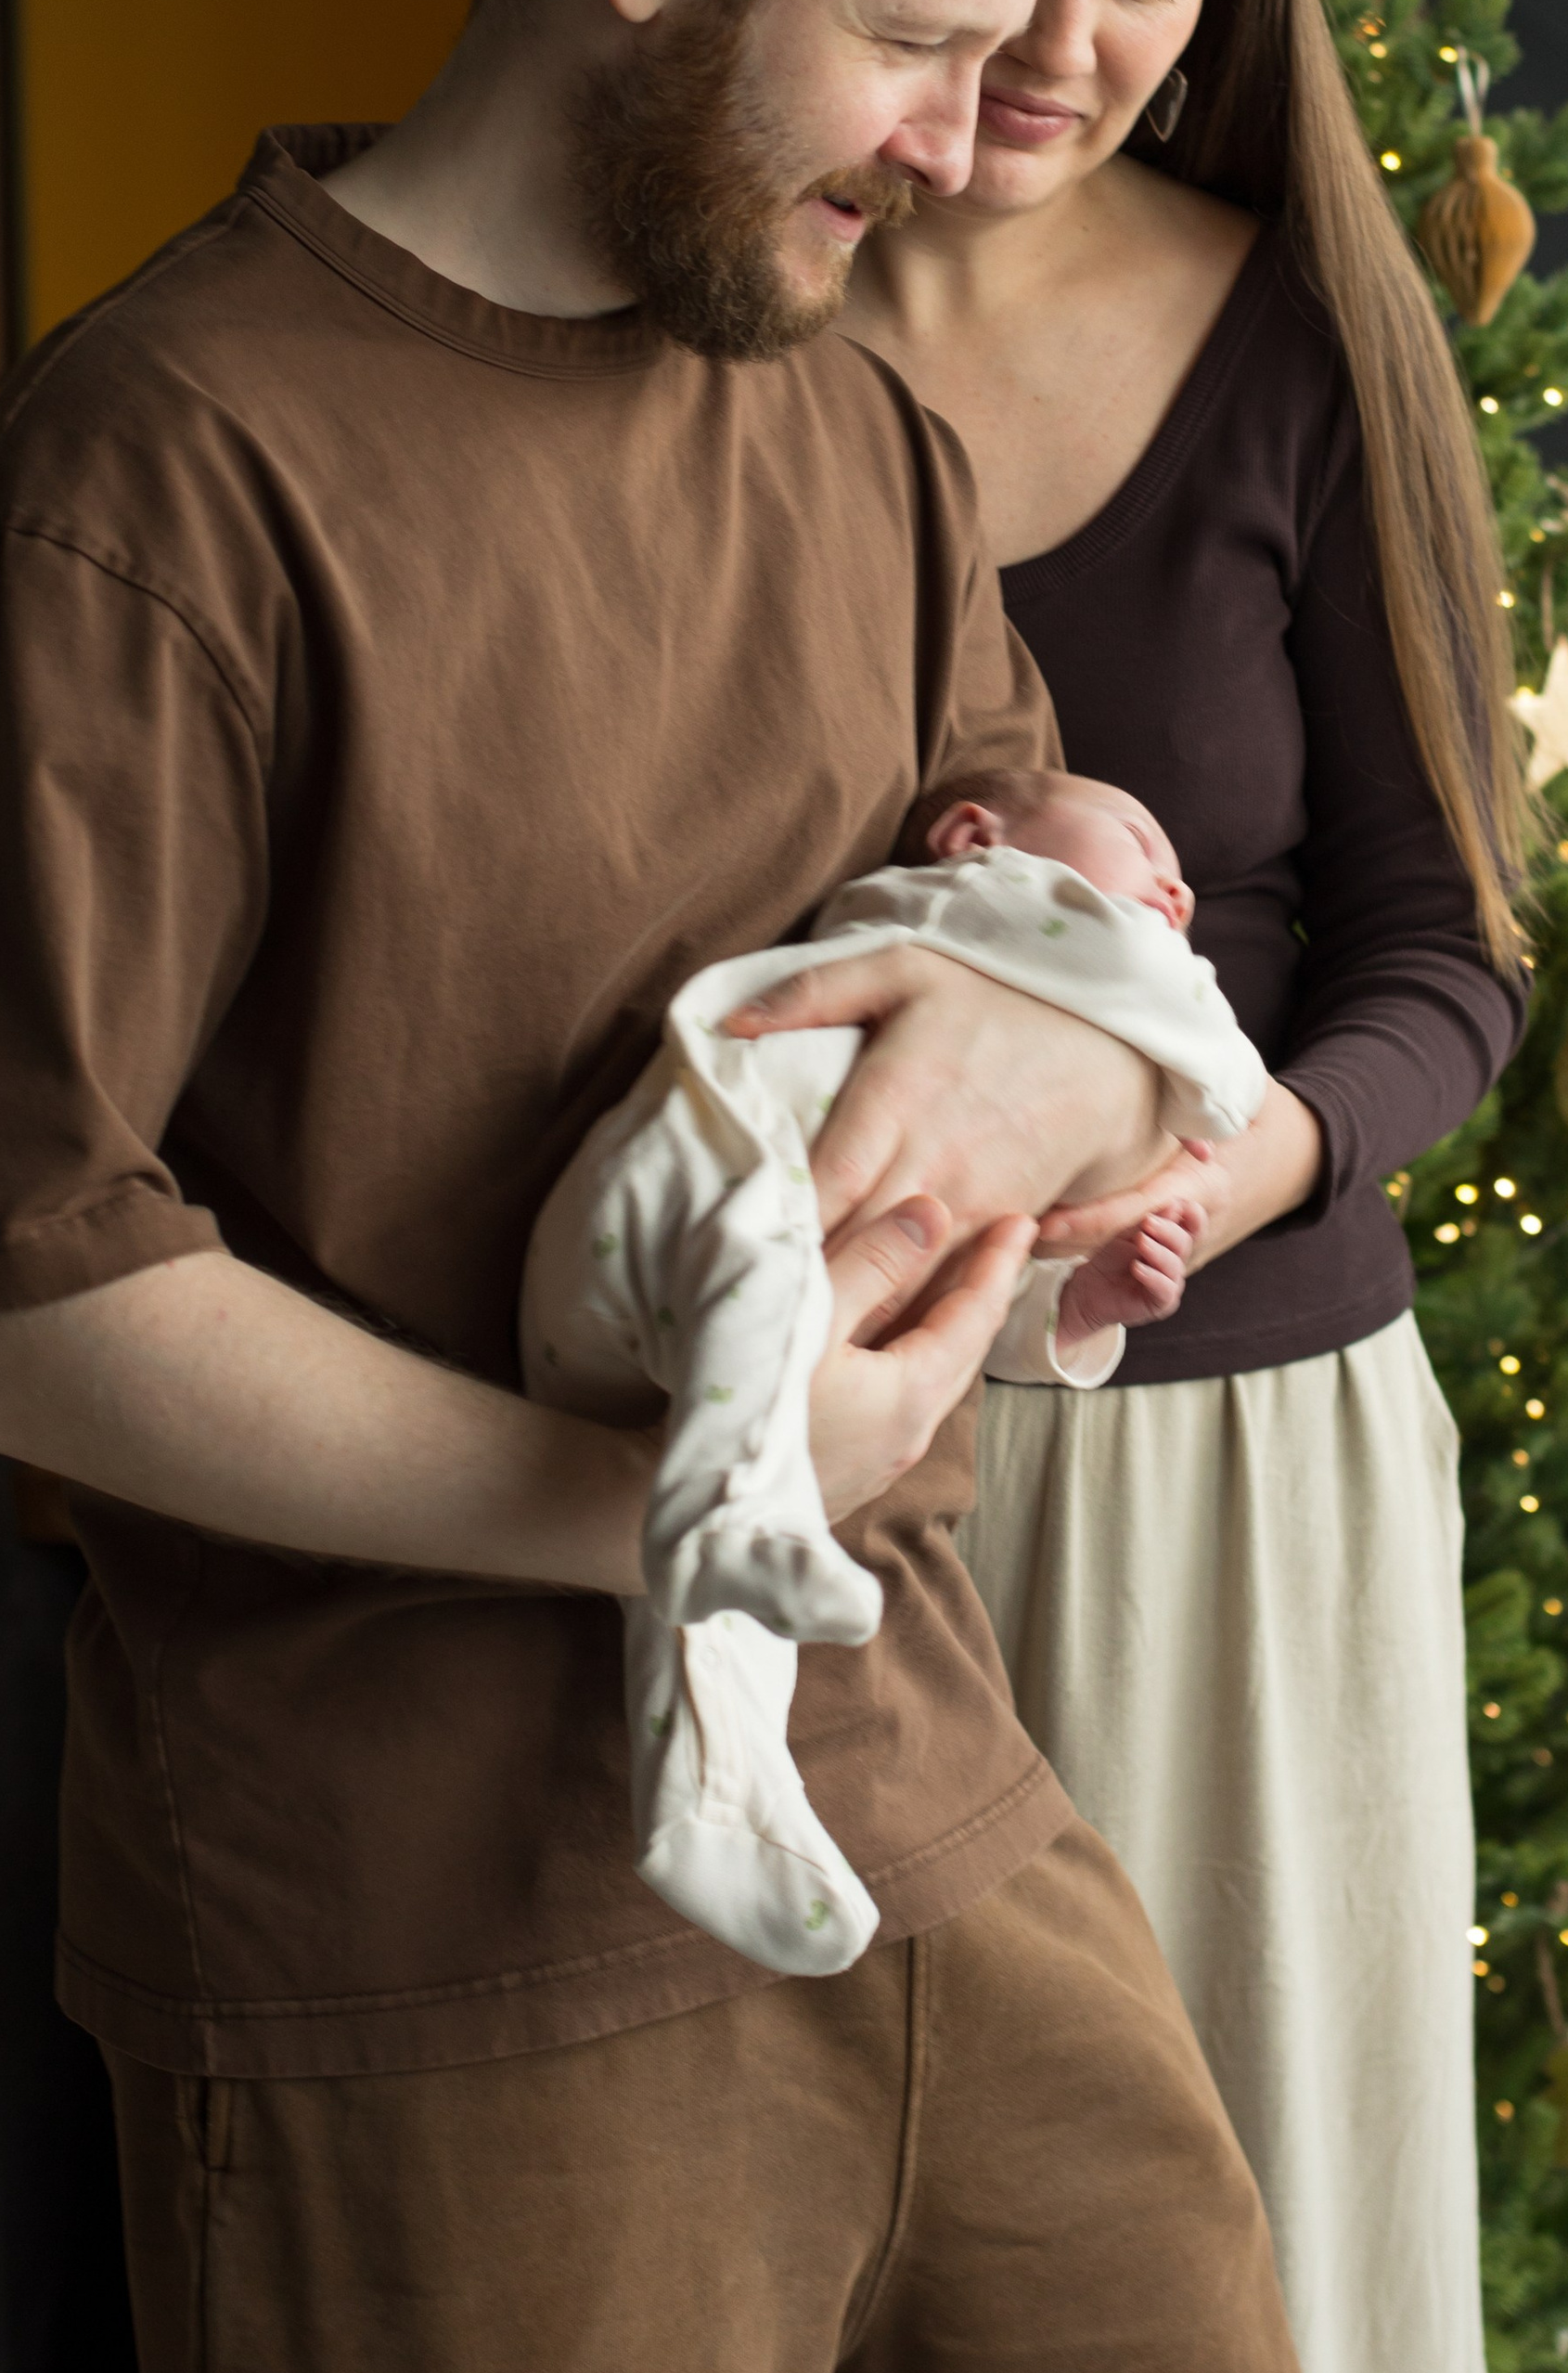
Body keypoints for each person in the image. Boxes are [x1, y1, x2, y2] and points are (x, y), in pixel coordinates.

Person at [0, 0, 1354, 2373]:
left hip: (930, 1805)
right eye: (914, 40)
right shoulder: (157, 478)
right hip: (416, 1934)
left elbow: (1041, 922)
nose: (966, 140)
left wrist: (1080, 1071)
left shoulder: (848, 432)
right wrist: (659, 1512)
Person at [841, 0, 1529, 2373]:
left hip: (1240, 1471)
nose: (1076, 32)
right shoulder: (727, 335)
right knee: (870, 2312)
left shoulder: (1307, 336)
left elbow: (1448, 960)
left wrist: (1252, 1152)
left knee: (1263, 2262)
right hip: (834, 1480)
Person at [521, 763, 1260, 1978]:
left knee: (712, 1583)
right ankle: (723, 1517)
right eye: (1140, 837)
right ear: (977, 835)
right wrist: (1183, 1140)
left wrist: (1081, 1298)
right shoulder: (1001, 909)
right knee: (756, 1387)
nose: (1177, 888)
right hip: (695, 1184)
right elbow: (1219, 1082)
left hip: (687, 1307)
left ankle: (720, 1806)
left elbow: (979, 1267)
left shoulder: (1023, 999)